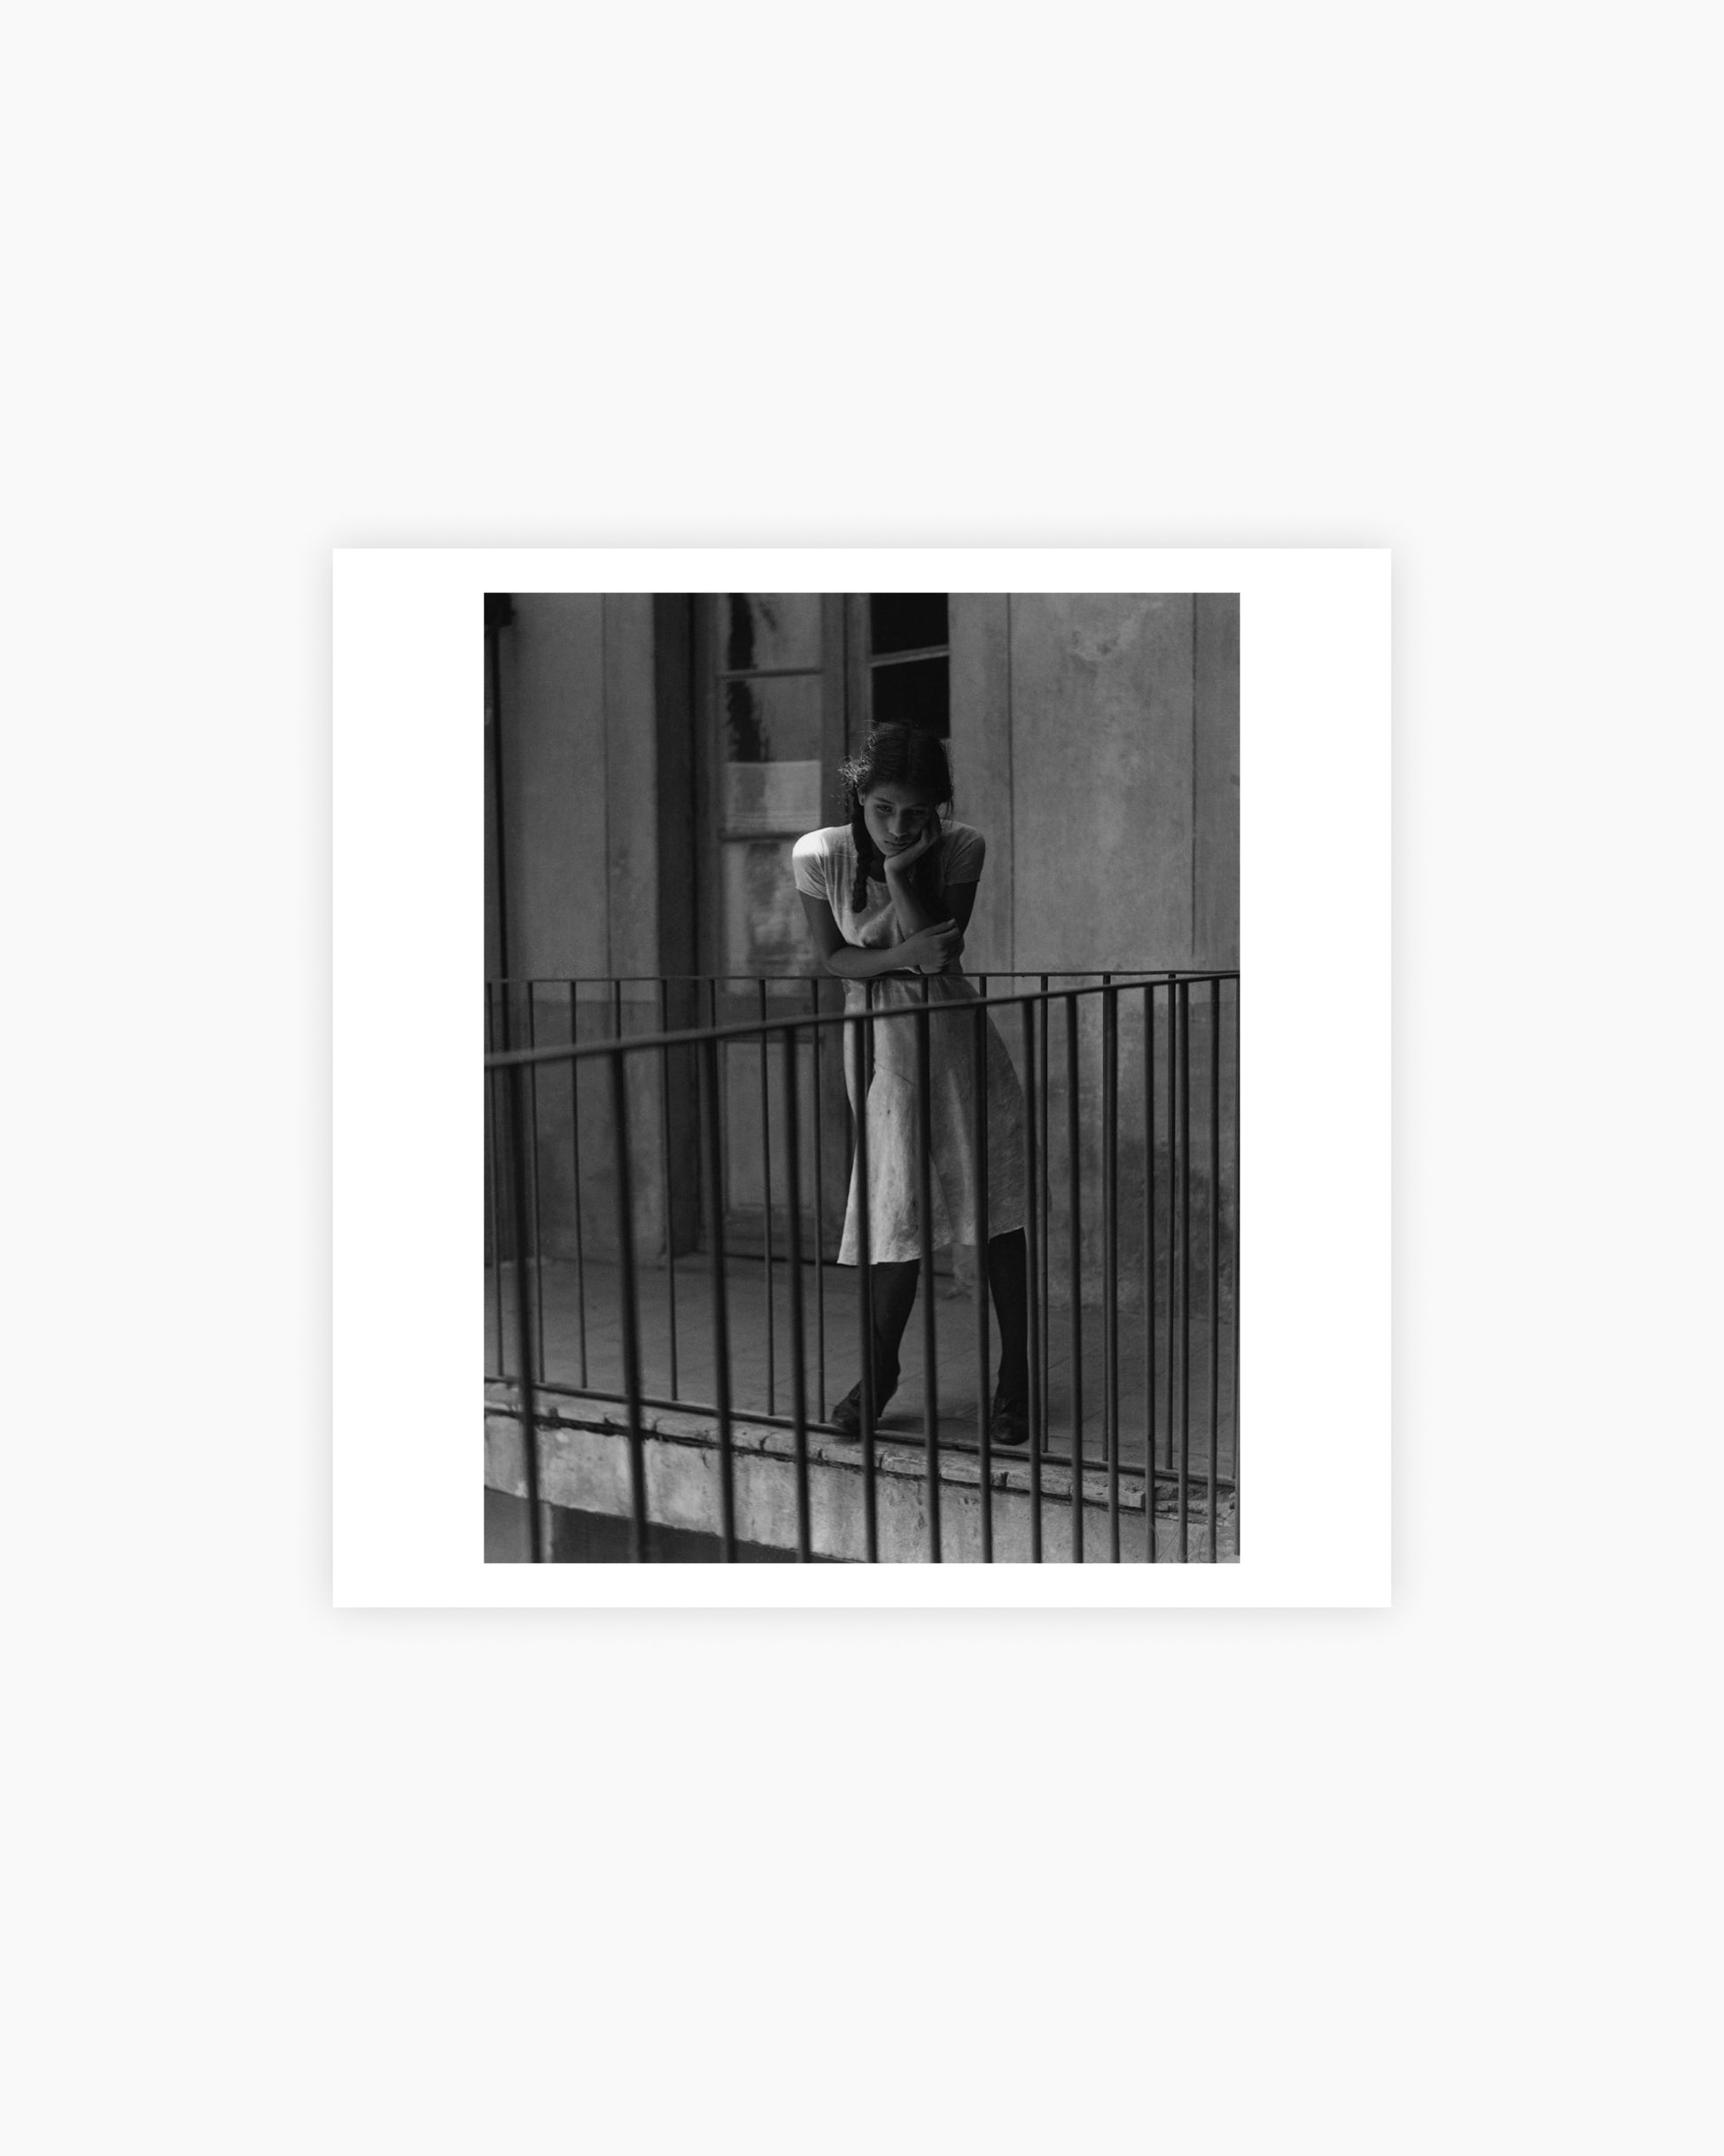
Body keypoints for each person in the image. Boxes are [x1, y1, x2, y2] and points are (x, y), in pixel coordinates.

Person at [791, 723, 1030, 1445]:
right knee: (892, 1206)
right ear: (858, 795)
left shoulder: (961, 847)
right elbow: (835, 959)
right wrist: (902, 953)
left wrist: (899, 878)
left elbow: (940, 958)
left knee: (997, 1207)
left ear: (937, 810)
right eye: (884, 808)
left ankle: (1016, 1375)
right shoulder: (819, 854)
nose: (899, 825)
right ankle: (879, 1373)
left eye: (917, 812)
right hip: (879, 1043)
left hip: (955, 1036)